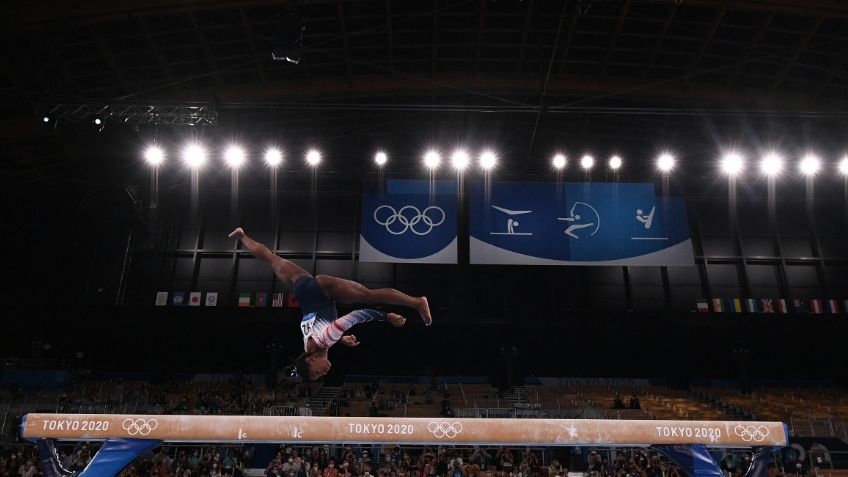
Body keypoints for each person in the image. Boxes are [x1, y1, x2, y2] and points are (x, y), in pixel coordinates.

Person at [229, 227, 432, 380]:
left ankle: (416, 302)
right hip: (303, 288)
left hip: (322, 291)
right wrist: (340, 339)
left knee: (369, 296)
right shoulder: (310, 347)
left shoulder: (323, 341)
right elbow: (323, 329)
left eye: (316, 374)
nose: (322, 374)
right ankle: (241, 236)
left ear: (311, 360)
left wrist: (386, 317)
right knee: (271, 260)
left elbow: (357, 316)